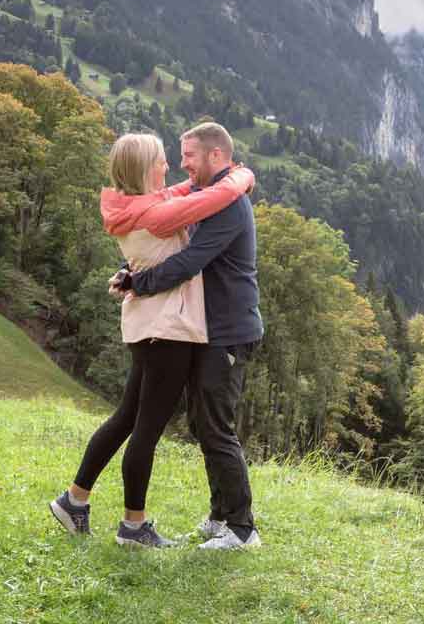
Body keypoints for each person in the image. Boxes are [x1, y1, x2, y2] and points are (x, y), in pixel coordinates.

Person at [49, 132, 255, 548]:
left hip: (153, 326)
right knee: (147, 429)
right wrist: (240, 178)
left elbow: (189, 196)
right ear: (146, 169)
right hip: (167, 328)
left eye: (185, 156)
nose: (173, 166)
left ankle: (76, 500)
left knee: (129, 419)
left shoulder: (134, 205)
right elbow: (190, 242)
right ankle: (134, 526)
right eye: (165, 159)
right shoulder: (159, 213)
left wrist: (132, 278)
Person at [113, 122, 264, 550]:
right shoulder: (208, 198)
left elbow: (191, 261)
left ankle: (242, 528)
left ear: (216, 156)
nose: (182, 164)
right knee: (202, 422)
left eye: (190, 156)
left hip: (229, 330)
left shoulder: (228, 206)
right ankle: (220, 516)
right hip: (208, 329)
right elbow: (174, 251)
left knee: (216, 426)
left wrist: (136, 285)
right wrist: (132, 273)